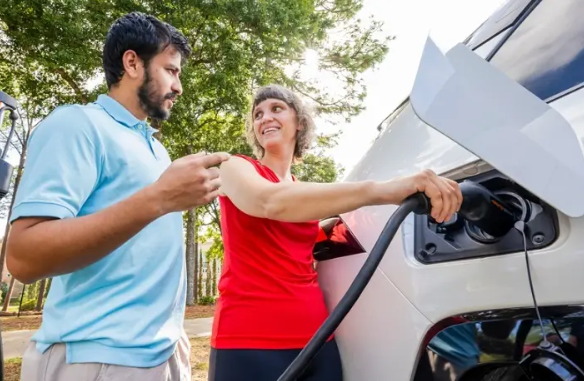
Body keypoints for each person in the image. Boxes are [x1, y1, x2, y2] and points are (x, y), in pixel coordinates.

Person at [6, 12, 229, 381]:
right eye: (171, 70)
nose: (179, 86)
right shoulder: (77, 124)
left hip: (165, 354)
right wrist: (159, 197)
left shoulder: (157, 150)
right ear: (132, 63)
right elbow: (24, 257)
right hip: (97, 358)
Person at [208, 84, 463, 381]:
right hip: (247, 340)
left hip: (317, 338)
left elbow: (307, 233)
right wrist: (379, 190)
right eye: (258, 114)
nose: (264, 118)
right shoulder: (235, 167)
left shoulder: (306, 194)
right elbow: (269, 201)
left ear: (299, 123)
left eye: (276, 109)